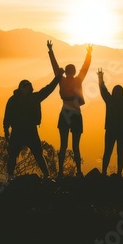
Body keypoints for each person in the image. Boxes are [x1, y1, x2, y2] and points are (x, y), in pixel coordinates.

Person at [4, 68, 64, 179]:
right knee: (12, 155)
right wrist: (6, 130)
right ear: (21, 88)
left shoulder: (33, 98)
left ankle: (47, 175)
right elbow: (7, 116)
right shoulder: (14, 100)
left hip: (30, 130)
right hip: (18, 131)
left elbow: (49, 89)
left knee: (38, 154)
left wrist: (58, 77)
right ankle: (10, 177)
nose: (28, 88)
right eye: (25, 86)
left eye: (28, 86)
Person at [47, 40, 92, 177]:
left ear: (65, 71)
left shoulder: (61, 80)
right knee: (75, 147)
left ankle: (60, 172)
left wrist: (51, 51)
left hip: (65, 113)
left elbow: (54, 66)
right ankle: (78, 171)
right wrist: (89, 54)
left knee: (63, 145)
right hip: (76, 114)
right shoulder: (78, 80)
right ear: (73, 71)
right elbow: (85, 68)